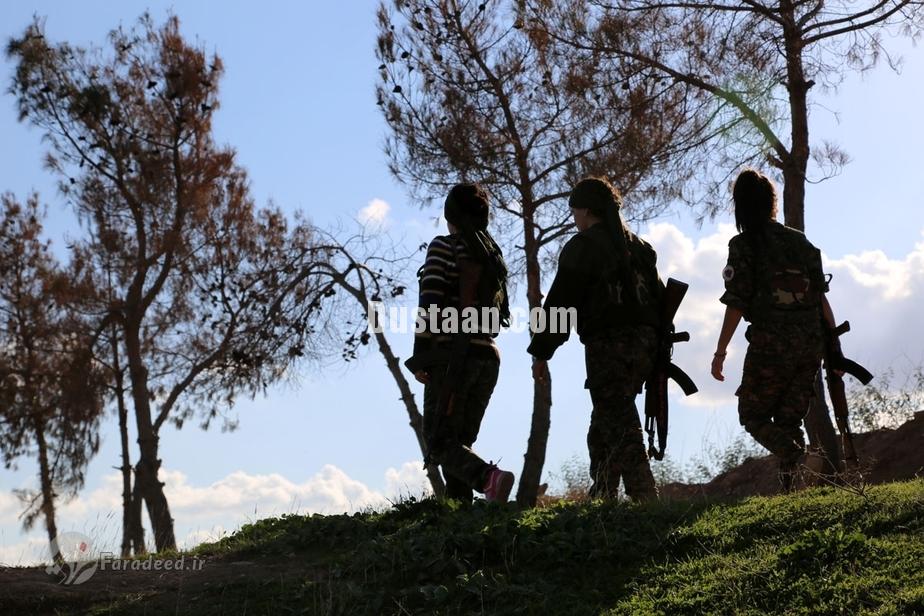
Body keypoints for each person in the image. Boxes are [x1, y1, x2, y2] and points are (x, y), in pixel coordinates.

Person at [528, 177, 662, 501]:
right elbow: (658, 301)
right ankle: (602, 497)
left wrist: (541, 352)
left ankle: (647, 500)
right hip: (647, 347)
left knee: (622, 425)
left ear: (585, 211)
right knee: (604, 423)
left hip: (608, 347)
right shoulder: (641, 248)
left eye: (575, 213)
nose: (574, 219)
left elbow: (560, 305)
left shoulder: (583, 246)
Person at [711, 168, 838, 492]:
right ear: (771, 203)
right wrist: (832, 344)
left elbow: (736, 302)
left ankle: (797, 454)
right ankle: (792, 492)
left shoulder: (743, 245)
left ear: (740, 205)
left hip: (772, 343)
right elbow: (821, 300)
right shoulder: (801, 242)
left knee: (752, 415)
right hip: (810, 344)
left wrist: (721, 351)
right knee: (787, 419)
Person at [405, 183, 515, 503]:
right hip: (487, 357)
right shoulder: (493, 257)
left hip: (453, 357)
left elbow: (430, 303)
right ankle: (458, 520)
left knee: (440, 442)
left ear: (449, 215)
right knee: (459, 443)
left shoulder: (444, 247)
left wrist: (421, 356)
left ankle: (489, 478)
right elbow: (501, 316)